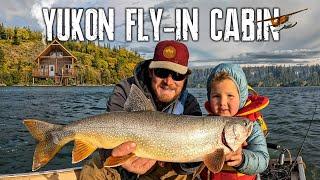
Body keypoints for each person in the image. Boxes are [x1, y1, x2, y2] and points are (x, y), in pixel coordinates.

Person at [80, 40, 202, 180]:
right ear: (151, 72)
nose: (168, 81)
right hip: (120, 165)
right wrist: (114, 155)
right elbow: (106, 135)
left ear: (185, 78)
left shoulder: (189, 105)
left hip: (161, 168)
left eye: (177, 75)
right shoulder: (125, 90)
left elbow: (187, 164)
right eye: (162, 72)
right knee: (93, 168)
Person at [201, 63, 269, 179]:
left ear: (241, 97)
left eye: (230, 96)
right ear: (209, 97)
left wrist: (242, 159)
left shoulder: (249, 126)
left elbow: (263, 160)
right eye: (216, 96)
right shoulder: (204, 124)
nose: (222, 102)